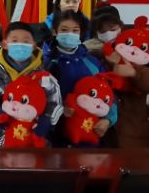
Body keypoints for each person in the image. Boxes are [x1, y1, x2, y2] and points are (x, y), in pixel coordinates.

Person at [89, 5, 149, 148]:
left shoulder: (140, 47)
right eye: (102, 31)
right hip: (99, 129)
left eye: (112, 28)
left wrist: (134, 72)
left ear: (121, 26)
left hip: (134, 127)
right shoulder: (92, 54)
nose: (108, 34)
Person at [0, 22, 63, 146]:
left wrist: (46, 119)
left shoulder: (43, 75)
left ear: (34, 45)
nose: (20, 45)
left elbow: (55, 101)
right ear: (5, 44)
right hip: (1, 134)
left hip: (34, 133)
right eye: (14, 41)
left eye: (26, 41)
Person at [47, 10, 117, 146]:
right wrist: (59, 110)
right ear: (55, 31)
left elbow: (109, 93)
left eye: (75, 30)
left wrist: (108, 119)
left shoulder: (92, 62)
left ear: (81, 33)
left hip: (89, 133)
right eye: (64, 30)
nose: (70, 34)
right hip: (55, 136)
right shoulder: (47, 63)